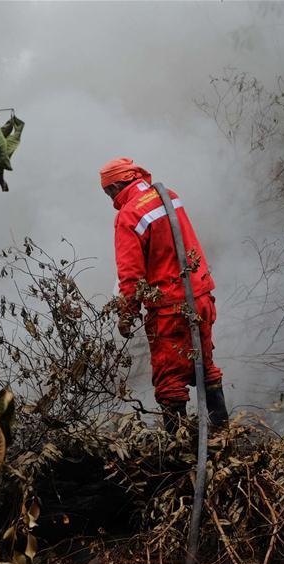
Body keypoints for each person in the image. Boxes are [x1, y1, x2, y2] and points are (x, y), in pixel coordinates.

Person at [100, 157, 229, 432]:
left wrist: (127, 314)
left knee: (169, 380)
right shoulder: (169, 196)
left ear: (117, 185)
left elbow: (131, 274)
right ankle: (222, 433)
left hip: (170, 308)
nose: (109, 197)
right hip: (201, 297)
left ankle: (177, 451)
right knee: (204, 365)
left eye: (108, 191)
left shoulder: (128, 216)